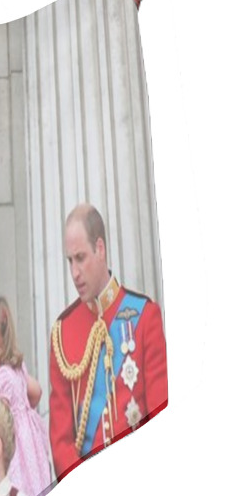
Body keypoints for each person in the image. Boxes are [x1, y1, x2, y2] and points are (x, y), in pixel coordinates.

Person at [49, 203, 168, 481]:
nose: (74, 272)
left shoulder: (145, 316)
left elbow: (160, 412)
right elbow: (60, 440)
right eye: (70, 261)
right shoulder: (62, 332)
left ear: (100, 249)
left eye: (80, 258)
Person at [0, 296, 52, 496]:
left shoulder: (0, 377)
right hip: (32, 451)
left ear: (3, 341)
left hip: (17, 451)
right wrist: (23, 408)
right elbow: (37, 392)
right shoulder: (17, 367)